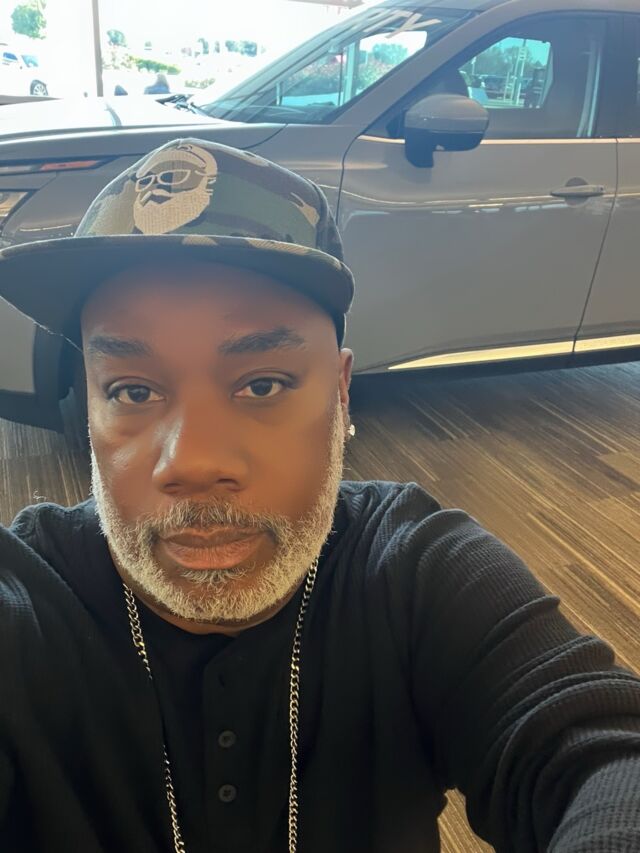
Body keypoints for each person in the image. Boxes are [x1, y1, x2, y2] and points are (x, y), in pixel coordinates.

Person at [0, 138, 639, 853]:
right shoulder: (29, 602)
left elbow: (600, 751)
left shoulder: (413, 572)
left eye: (262, 384)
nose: (194, 462)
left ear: (340, 392)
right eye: (133, 391)